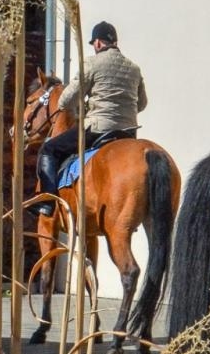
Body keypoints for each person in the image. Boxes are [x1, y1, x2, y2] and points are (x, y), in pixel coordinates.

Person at [35, 20, 148, 215]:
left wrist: (83, 108)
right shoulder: (134, 68)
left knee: (49, 149)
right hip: (128, 133)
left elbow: (64, 101)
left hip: (98, 129)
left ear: (97, 43)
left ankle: (48, 203)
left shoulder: (92, 63)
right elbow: (142, 103)